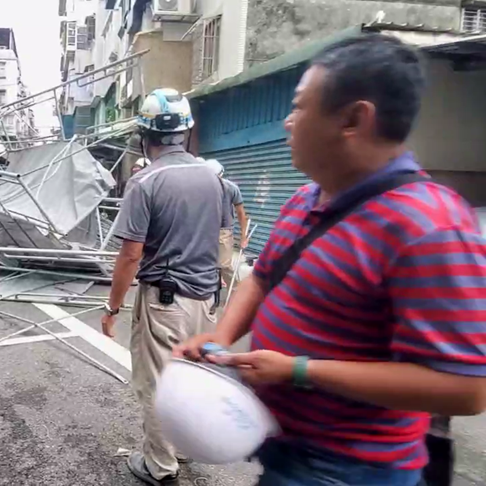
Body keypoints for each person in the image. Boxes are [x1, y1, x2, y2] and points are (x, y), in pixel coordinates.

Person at [174, 35, 486, 485]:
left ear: (354, 119)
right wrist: (218, 341)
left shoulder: (429, 226)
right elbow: (262, 279)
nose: (287, 122)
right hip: (284, 448)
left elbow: (464, 389)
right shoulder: (306, 198)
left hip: (350, 470)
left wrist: (300, 370)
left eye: (300, 107)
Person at [101, 88, 223, 485]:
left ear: (144, 135)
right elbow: (220, 238)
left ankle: (160, 465)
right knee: (190, 378)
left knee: (157, 382)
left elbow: (130, 256)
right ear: (185, 132)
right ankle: (184, 445)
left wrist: (112, 308)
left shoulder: (145, 182)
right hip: (205, 298)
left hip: (165, 300)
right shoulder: (212, 177)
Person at [207, 160, 249, 289]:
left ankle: (239, 292)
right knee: (207, 265)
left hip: (223, 231)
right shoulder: (202, 187)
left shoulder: (230, 188)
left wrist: (244, 237)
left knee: (224, 266)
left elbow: (241, 214)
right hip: (205, 229)